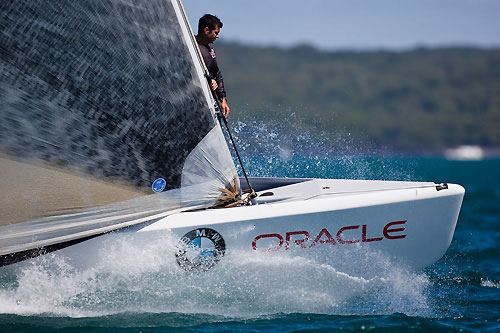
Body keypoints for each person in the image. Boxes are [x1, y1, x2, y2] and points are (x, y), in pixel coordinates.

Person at [196, 14, 230, 118]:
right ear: (206, 30)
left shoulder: (210, 48)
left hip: (211, 97)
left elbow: (216, 72)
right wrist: (208, 81)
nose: (218, 36)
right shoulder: (192, 47)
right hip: (197, 100)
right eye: (216, 33)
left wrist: (223, 98)